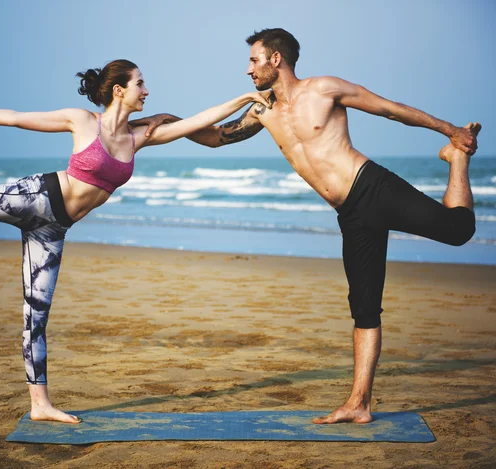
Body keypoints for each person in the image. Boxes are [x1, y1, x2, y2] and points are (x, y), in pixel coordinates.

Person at [135, 28, 481, 424]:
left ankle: (456, 161)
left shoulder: (325, 89)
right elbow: (218, 138)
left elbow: (389, 109)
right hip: (350, 213)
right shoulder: (262, 110)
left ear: (275, 59)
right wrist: (173, 122)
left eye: (253, 60)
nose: (248, 70)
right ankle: (359, 404)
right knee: (364, 307)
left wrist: (451, 130)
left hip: (373, 186)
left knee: (459, 232)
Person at [0, 63, 270, 424]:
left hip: (54, 228)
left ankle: (40, 405)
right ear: (119, 90)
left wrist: (244, 98)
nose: (146, 90)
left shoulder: (141, 137)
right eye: (140, 83)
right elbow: (16, 118)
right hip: (37, 197)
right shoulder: (83, 121)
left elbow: (197, 122)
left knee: (36, 315)